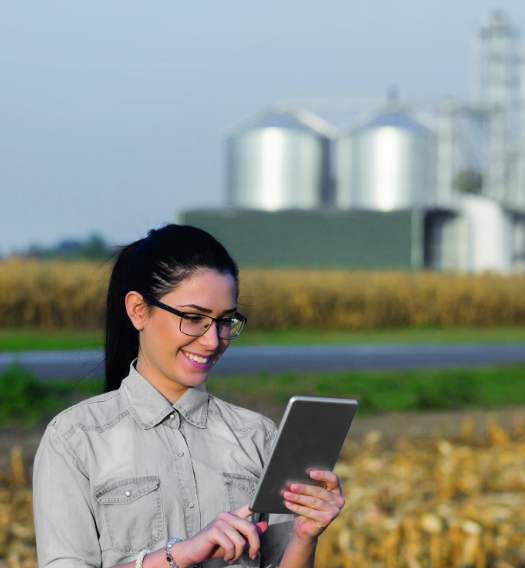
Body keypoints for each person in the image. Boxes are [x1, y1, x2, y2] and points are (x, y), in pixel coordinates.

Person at [33, 224, 345, 568]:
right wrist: (177, 555)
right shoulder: (74, 439)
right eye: (193, 318)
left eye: (225, 321)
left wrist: (304, 536)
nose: (213, 341)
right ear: (138, 310)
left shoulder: (258, 437)